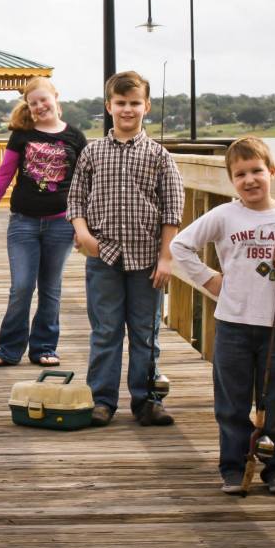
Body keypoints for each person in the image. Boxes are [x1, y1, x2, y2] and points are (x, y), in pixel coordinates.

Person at [170, 136, 275, 496]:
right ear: (231, 180)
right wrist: (209, 280)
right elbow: (181, 245)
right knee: (232, 402)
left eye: (257, 171)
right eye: (240, 174)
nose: (250, 180)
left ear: (272, 172)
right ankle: (233, 467)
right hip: (232, 325)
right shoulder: (225, 215)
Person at [66, 70, 184, 427]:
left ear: (146, 106)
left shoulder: (160, 156)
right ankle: (101, 400)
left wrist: (166, 257)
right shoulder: (92, 152)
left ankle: (147, 399)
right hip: (103, 256)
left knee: (145, 332)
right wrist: (82, 233)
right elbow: (76, 200)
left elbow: (172, 211)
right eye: (121, 103)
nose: (127, 109)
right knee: (105, 330)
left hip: (148, 260)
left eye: (134, 103)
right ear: (109, 106)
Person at [0, 76, 87, 368]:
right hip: (23, 222)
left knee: (51, 287)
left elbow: (86, 184)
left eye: (43, 100)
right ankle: (9, 349)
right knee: (22, 286)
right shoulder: (22, 135)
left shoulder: (75, 137)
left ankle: (44, 347)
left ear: (55, 97)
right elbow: (3, 175)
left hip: (61, 223)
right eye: (33, 103)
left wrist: (83, 225)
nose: (39, 106)